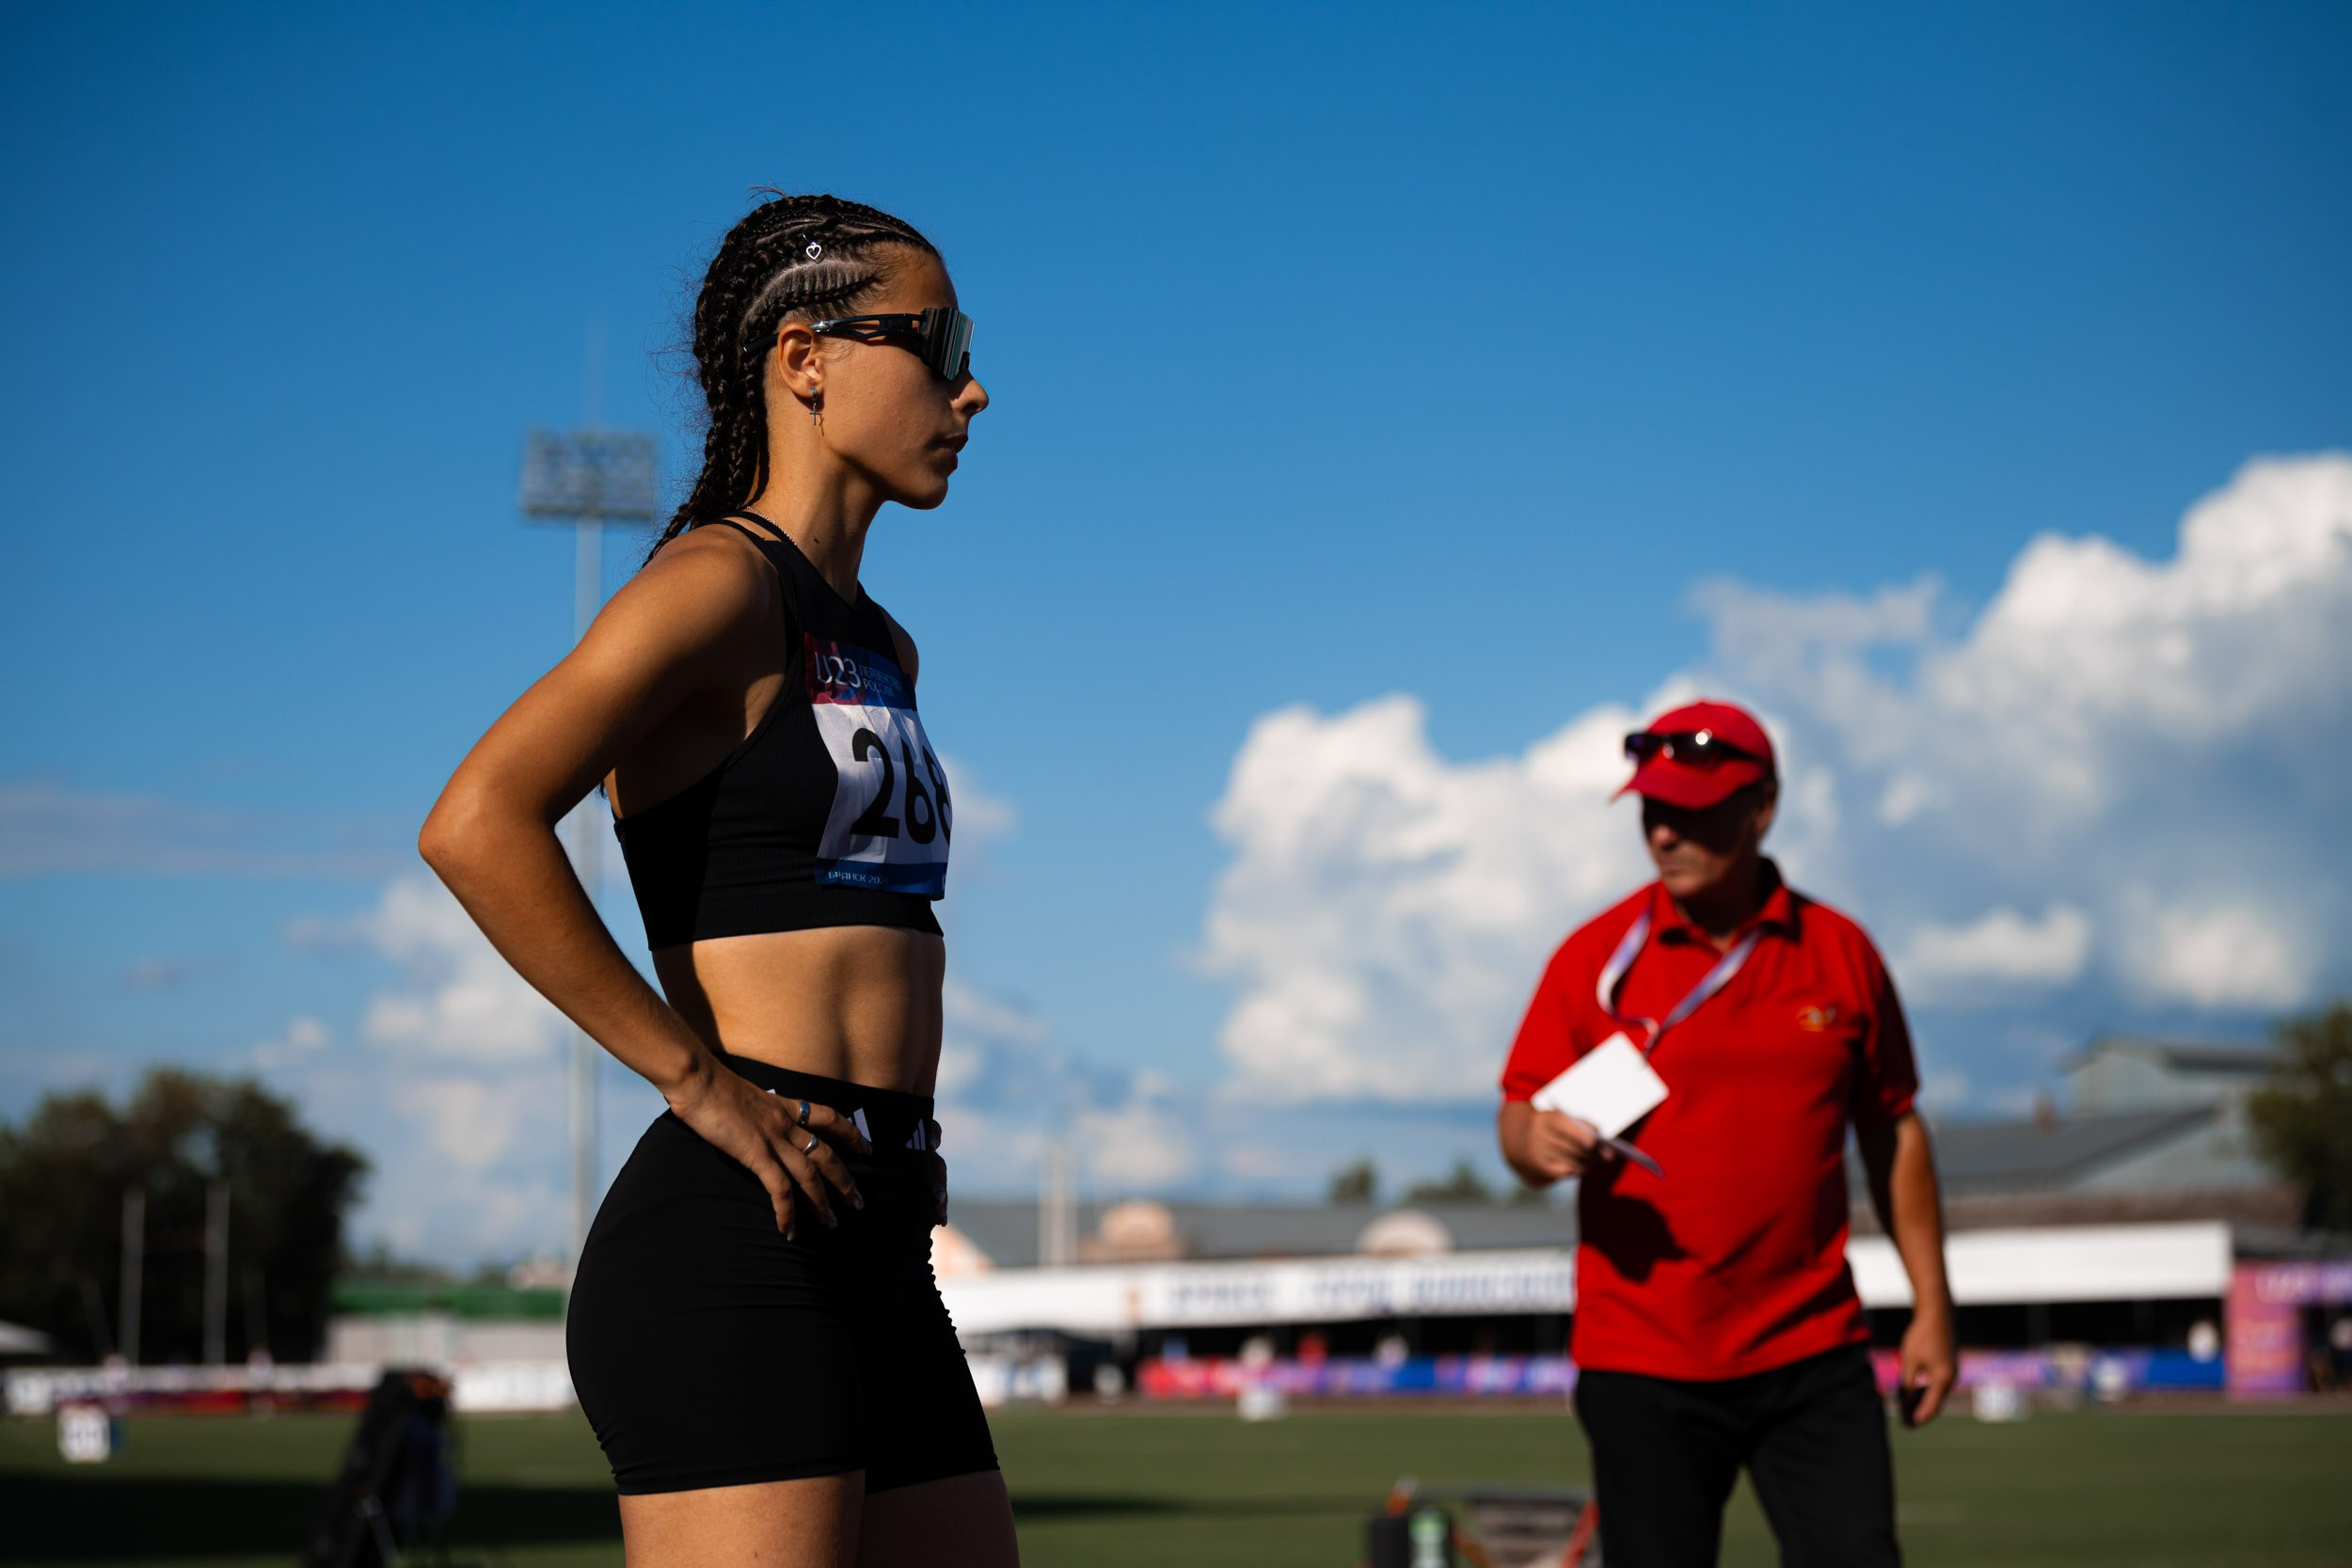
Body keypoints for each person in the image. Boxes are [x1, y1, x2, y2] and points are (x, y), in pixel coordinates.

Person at [420, 192, 1011, 1568]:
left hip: (878, 1235)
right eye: (935, 341)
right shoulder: (713, 585)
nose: (970, 385)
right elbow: (477, 820)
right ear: (805, 356)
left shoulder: (884, 642)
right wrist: (696, 1081)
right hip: (734, 1239)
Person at [1496, 699, 1955, 1568]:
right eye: (1650, 811)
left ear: (1763, 807)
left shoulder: (1841, 953)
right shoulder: (1590, 958)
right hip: (1643, 1357)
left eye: (1692, 812)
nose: (1665, 833)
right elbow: (1516, 1121)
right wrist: (1537, 1141)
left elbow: (1894, 1130)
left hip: (1813, 1351)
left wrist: (1933, 1306)